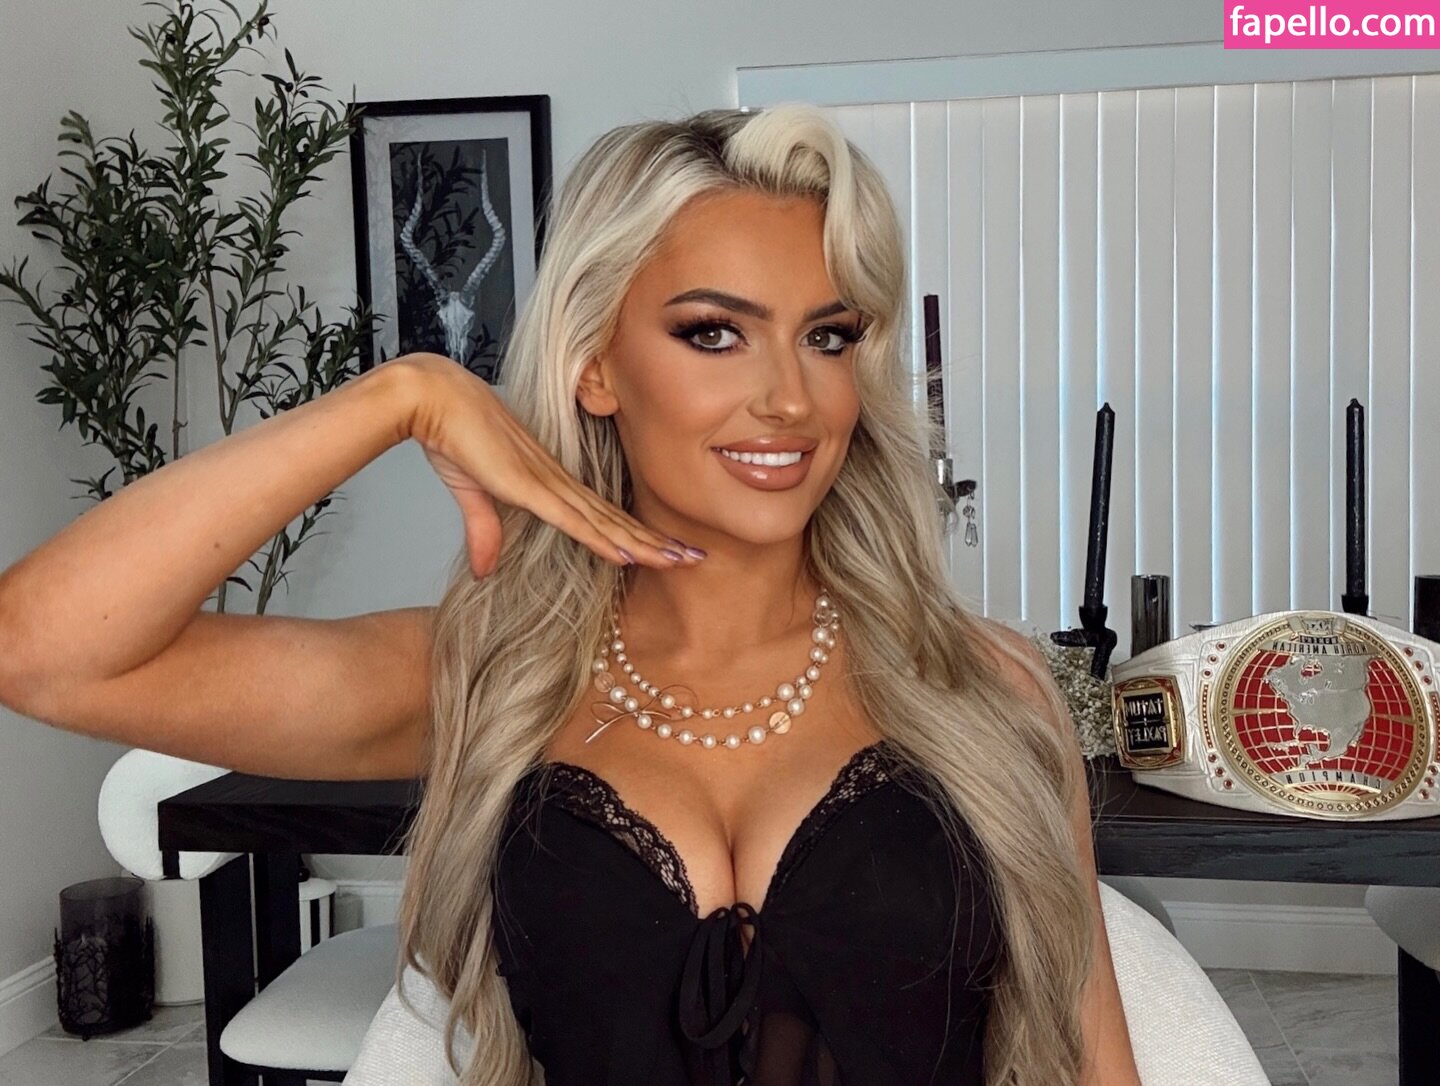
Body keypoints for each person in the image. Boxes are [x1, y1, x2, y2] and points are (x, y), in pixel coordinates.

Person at [0, 103, 1140, 1085]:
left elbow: (1096, 1063)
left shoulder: (983, 689)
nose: (791, 398)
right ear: (595, 365)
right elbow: (42, 651)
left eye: (828, 336)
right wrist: (404, 397)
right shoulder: (491, 674)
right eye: (714, 333)